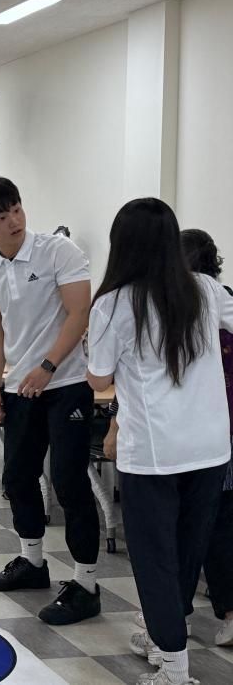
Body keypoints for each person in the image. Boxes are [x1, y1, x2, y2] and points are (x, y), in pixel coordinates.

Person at [87, 201, 233, 685]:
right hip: (210, 448)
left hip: (152, 452)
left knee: (155, 560)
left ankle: (173, 668)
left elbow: (98, 378)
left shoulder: (113, 304)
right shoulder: (206, 289)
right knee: (187, 552)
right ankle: (163, 639)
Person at [0, 177, 101, 626]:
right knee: (18, 478)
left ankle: (86, 584)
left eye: (17, 209)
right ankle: (32, 562)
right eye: (1, 216)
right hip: (19, 389)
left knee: (68, 482)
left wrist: (48, 365)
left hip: (67, 384)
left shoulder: (58, 251)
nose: (14, 221)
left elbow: (80, 313)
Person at [179, 229, 233, 649]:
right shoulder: (223, 299)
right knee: (218, 524)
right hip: (218, 432)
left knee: (195, 527)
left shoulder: (186, 304)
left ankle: (173, 618)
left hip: (199, 433)